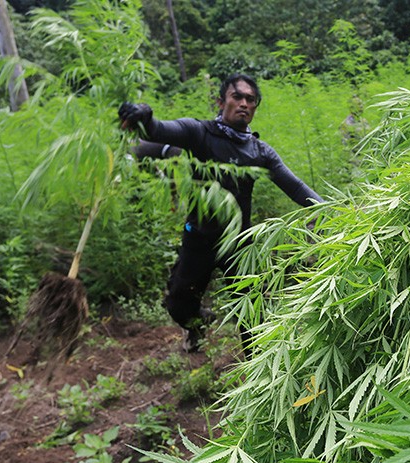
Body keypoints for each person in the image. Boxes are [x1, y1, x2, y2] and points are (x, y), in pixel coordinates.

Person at [118, 73, 324, 353]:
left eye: (251, 100)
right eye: (237, 96)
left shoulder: (259, 151)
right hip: (199, 239)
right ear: (221, 101)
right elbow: (158, 130)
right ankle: (197, 324)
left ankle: (257, 368)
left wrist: (328, 210)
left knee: (250, 313)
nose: (244, 104)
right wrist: (144, 116)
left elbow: (295, 187)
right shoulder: (198, 133)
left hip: (239, 244)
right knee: (179, 304)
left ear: (255, 108)